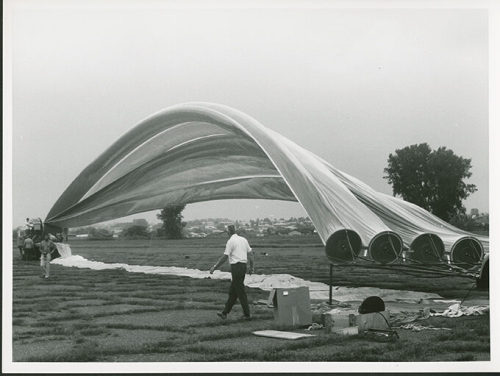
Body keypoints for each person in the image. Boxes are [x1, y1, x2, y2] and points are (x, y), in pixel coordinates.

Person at [210, 225, 254, 320]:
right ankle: (224, 313)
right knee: (233, 292)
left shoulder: (230, 241)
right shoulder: (243, 240)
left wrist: (215, 267)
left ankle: (247, 314)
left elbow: (225, 257)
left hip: (236, 267)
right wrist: (251, 267)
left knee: (240, 291)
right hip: (243, 266)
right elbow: (250, 254)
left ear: (228, 233)